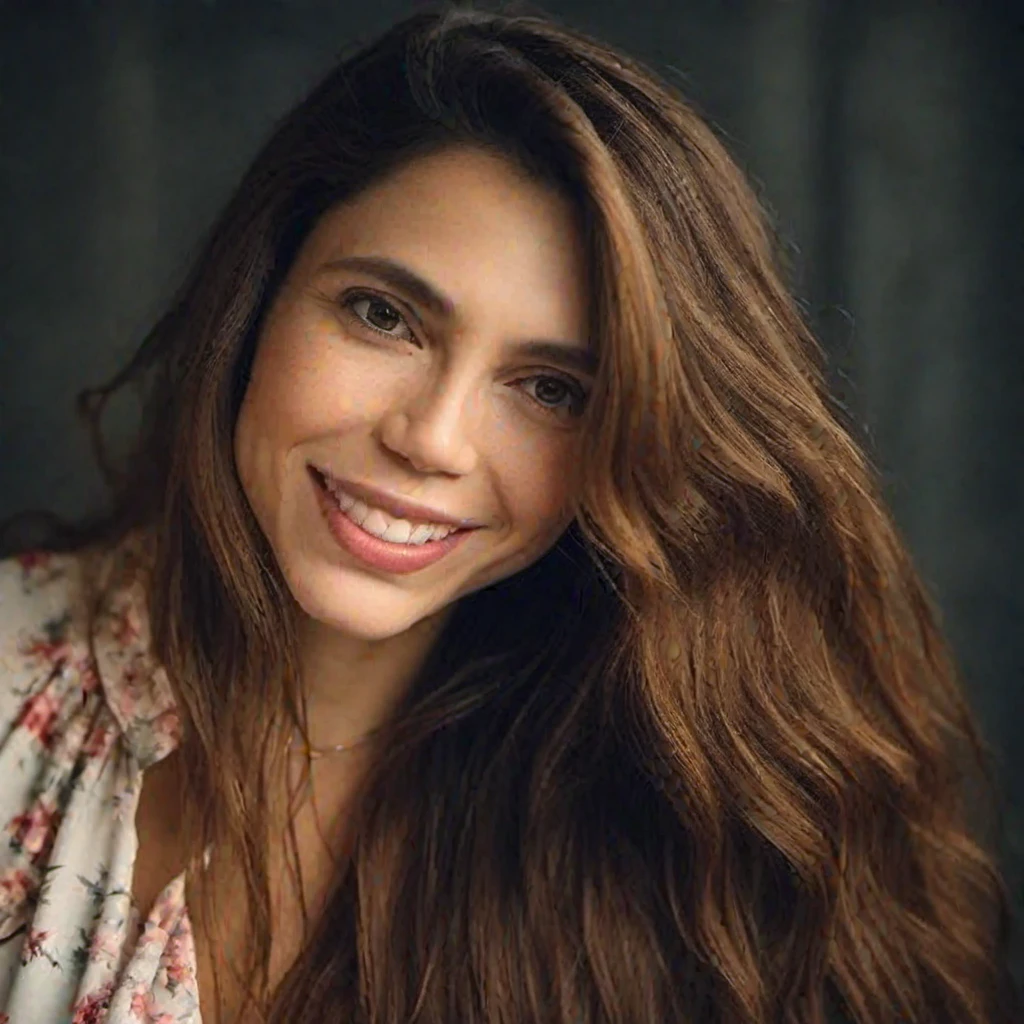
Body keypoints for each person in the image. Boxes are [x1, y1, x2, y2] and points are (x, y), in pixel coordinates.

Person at [0, 5, 1017, 1023]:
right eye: (383, 314)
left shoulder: (693, 850)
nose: (432, 440)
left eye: (549, 388)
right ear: (260, 291)